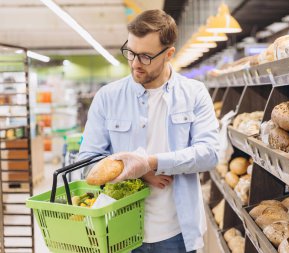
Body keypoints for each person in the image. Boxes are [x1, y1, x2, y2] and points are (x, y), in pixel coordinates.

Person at [78, 9, 219, 253]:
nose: (134, 63)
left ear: (169, 54)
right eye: (130, 52)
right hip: (119, 230)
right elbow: (86, 163)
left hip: (176, 233)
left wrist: (152, 162)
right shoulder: (107, 97)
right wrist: (136, 172)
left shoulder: (194, 94)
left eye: (145, 56)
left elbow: (210, 153)